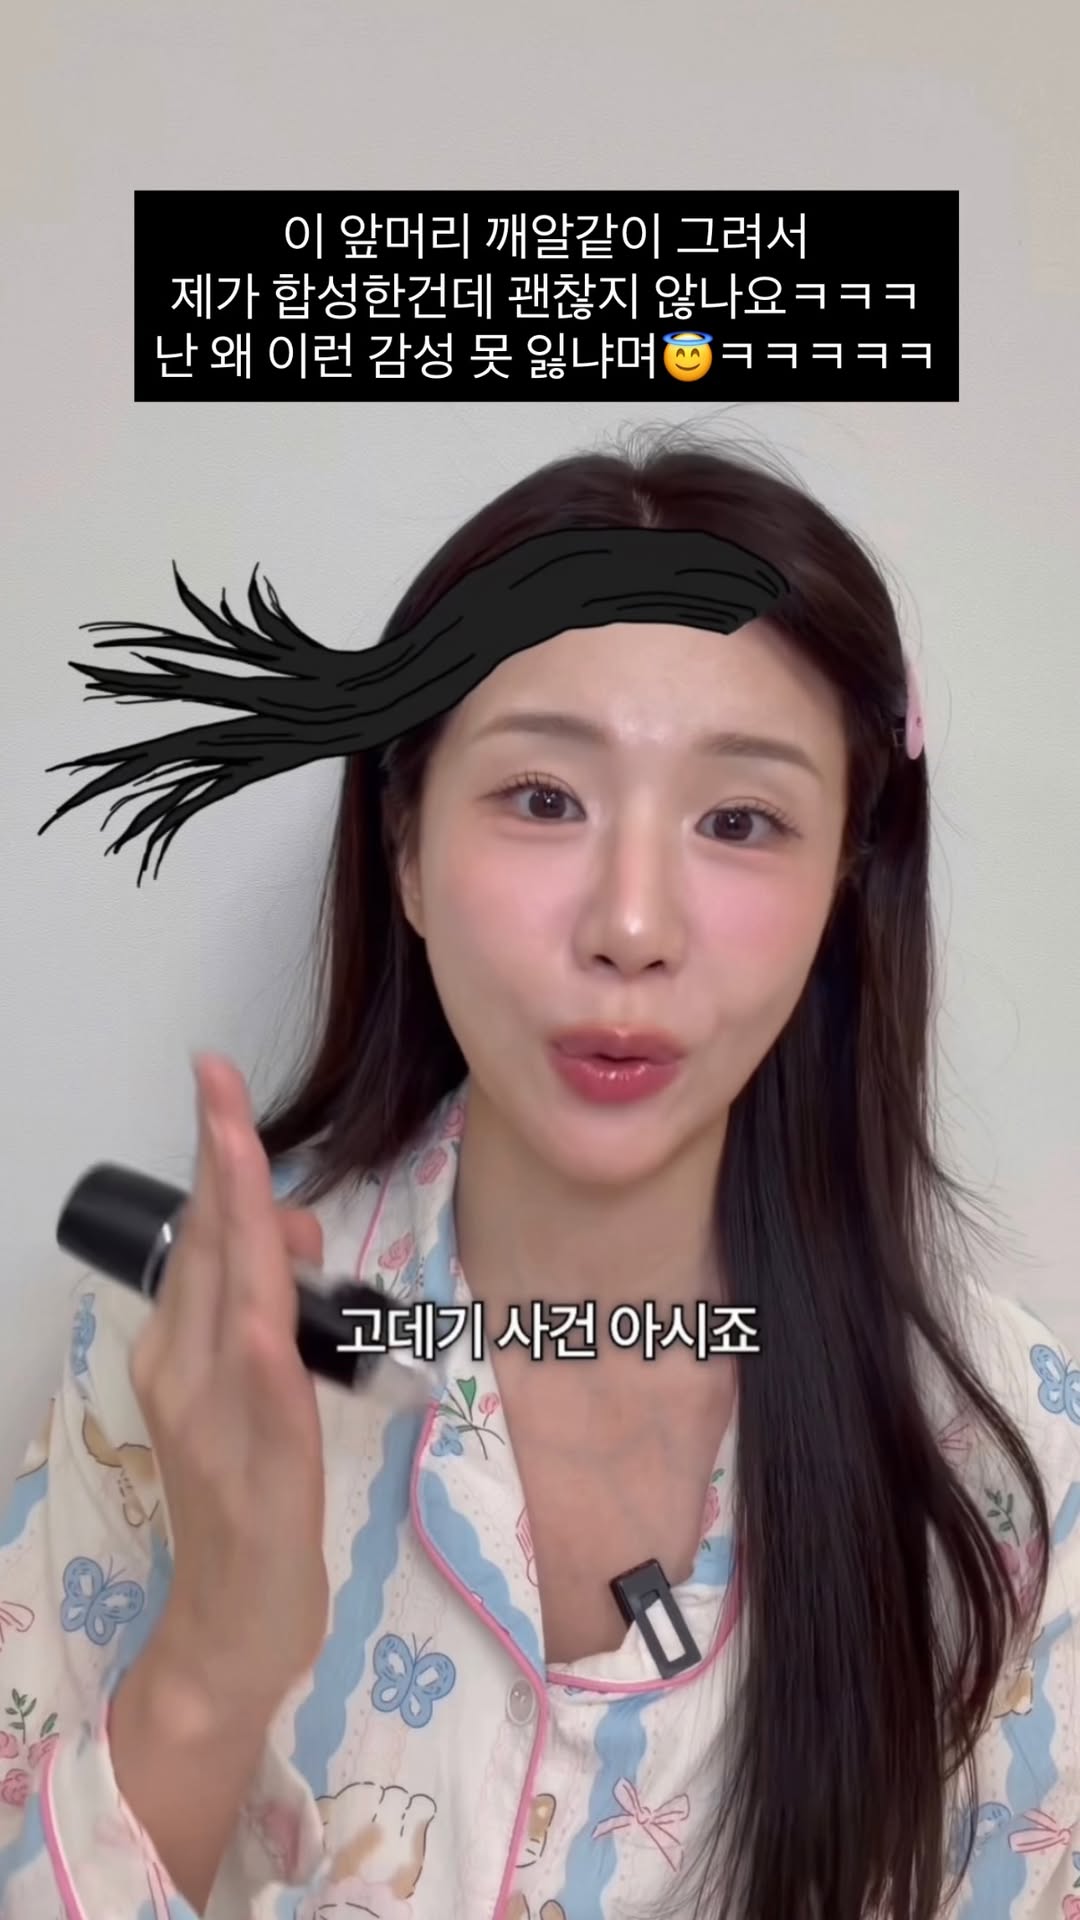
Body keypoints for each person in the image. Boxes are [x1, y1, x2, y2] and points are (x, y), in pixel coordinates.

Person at [2, 428, 1078, 1920]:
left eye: (740, 820)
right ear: (403, 850)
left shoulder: (1004, 1459)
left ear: (845, 881)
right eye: (544, 799)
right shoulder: (174, 1351)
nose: (630, 926)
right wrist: (211, 1666)